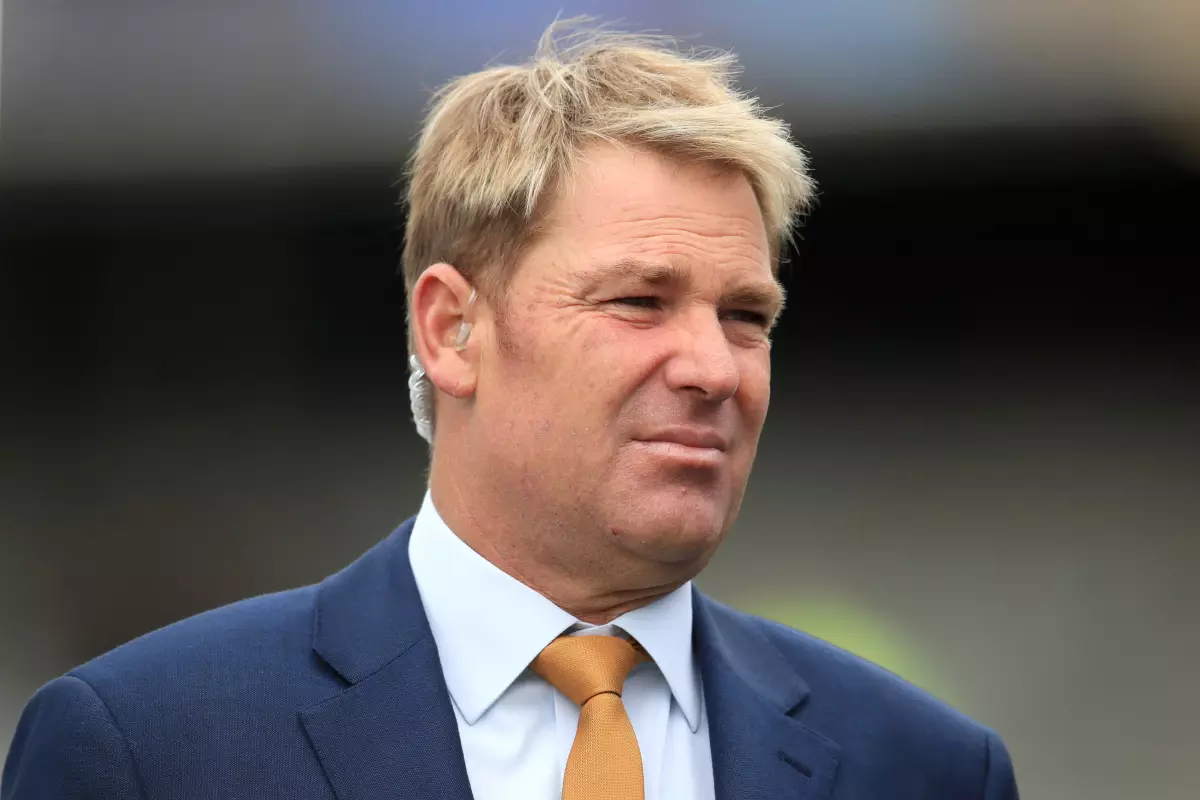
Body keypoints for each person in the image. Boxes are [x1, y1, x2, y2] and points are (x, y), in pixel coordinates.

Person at [2, 19, 1019, 800]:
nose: (716, 367)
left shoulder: (921, 765)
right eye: (639, 300)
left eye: (747, 315)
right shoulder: (148, 748)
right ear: (451, 330)